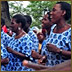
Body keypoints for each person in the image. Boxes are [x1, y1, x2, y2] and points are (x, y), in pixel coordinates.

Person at [41, 1, 71, 66]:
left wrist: (58, 50)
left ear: (63, 12)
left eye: (54, 10)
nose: (51, 13)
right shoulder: (52, 28)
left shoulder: (69, 32)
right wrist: (46, 58)